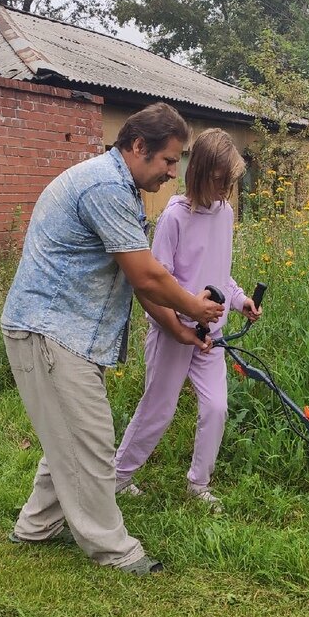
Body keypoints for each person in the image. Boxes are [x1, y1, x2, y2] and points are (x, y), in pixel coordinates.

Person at [1, 102, 224, 577]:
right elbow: (146, 276)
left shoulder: (116, 186)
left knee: (70, 437)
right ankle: (115, 549)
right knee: (92, 442)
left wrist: (180, 328)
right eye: (168, 160)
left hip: (68, 333)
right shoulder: (105, 186)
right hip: (51, 331)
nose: (172, 173)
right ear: (138, 146)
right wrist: (194, 307)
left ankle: (35, 528)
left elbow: (137, 284)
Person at [114, 128, 261, 508]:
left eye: (230, 182)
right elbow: (156, 280)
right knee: (157, 410)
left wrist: (240, 299)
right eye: (218, 180)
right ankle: (117, 478)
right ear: (199, 172)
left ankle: (199, 484)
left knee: (216, 407)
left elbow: (220, 272)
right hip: (173, 332)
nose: (225, 190)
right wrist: (179, 323)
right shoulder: (175, 218)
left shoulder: (225, 213)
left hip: (211, 336)